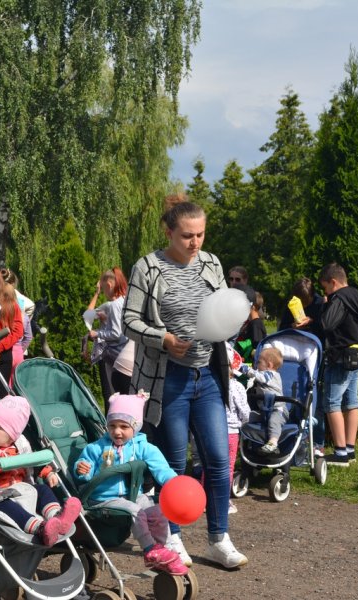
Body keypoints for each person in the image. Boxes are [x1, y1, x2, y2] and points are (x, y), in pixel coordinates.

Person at [123, 194, 247, 569]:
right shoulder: (147, 267)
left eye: (200, 235)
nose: (195, 243)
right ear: (169, 232)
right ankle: (172, 536)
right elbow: (129, 321)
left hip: (208, 376)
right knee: (174, 463)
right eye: (187, 236)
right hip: (168, 378)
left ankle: (219, 539)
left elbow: (224, 308)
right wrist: (163, 339)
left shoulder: (211, 263)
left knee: (218, 458)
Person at [74, 393, 188, 575]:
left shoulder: (142, 447)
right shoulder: (96, 448)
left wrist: (173, 482)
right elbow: (83, 469)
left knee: (158, 511)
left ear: (135, 427)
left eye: (124, 426)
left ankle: (165, 549)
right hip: (103, 498)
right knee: (135, 510)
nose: (117, 431)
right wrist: (82, 470)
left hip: (133, 494)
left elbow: (161, 467)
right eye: (112, 426)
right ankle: (149, 549)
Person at [0, 396, 81, 546]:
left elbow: (32, 461)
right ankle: (40, 529)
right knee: (9, 507)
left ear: (12, 435)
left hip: (21, 489)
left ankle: (57, 518)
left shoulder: (19, 446)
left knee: (43, 490)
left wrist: (48, 472)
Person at [318, 262, 358, 466]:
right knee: (351, 402)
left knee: (332, 403)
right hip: (355, 356)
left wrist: (325, 305)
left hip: (340, 356)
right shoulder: (356, 295)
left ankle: (340, 454)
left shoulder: (339, 298)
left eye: (326, 288)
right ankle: (350, 449)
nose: (326, 293)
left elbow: (327, 324)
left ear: (333, 282)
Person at [278, 276, 326, 456]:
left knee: (315, 398)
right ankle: (291, 435)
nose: (303, 305)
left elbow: (325, 327)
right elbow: (282, 328)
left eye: (306, 302)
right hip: (293, 355)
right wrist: (292, 325)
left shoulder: (320, 304)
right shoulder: (291, 304)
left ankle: (318, 441)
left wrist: (310, 322)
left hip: (313, 352)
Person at [86, 267, 130, 406]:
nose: (104, 293)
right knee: (126, 395)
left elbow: (88, 316)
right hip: (127, 356)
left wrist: (97, 333)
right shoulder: (125, 301)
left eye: (104, 288)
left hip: (113, 356)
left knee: (111, 396)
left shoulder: (112, 305)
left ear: (109, 285)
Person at [240, 348, 285, 455]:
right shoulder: (265, 374)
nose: (256, 364)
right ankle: (243, 437)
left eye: (259, 362)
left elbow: (259, 376)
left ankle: (273, 442)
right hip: (264, 411)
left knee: (274, 421)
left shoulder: (271, 375)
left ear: (269, 365)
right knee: (247, 416)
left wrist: (244, 368)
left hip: (278, 410)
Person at [223, 346, 251, 515]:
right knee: (227, 467)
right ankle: (223, 501)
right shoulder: (237, 387)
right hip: (231, 431)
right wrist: (245, 421)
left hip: (212, 430)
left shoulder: (212, 385)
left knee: (209, 465)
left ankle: (205, 498)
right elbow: (244, 411)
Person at [231, 284, 266, 364]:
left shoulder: (256, 324)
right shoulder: (251, 323)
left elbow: (256, 345)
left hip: (250, 363)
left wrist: (245, 355)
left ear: (252, 306)